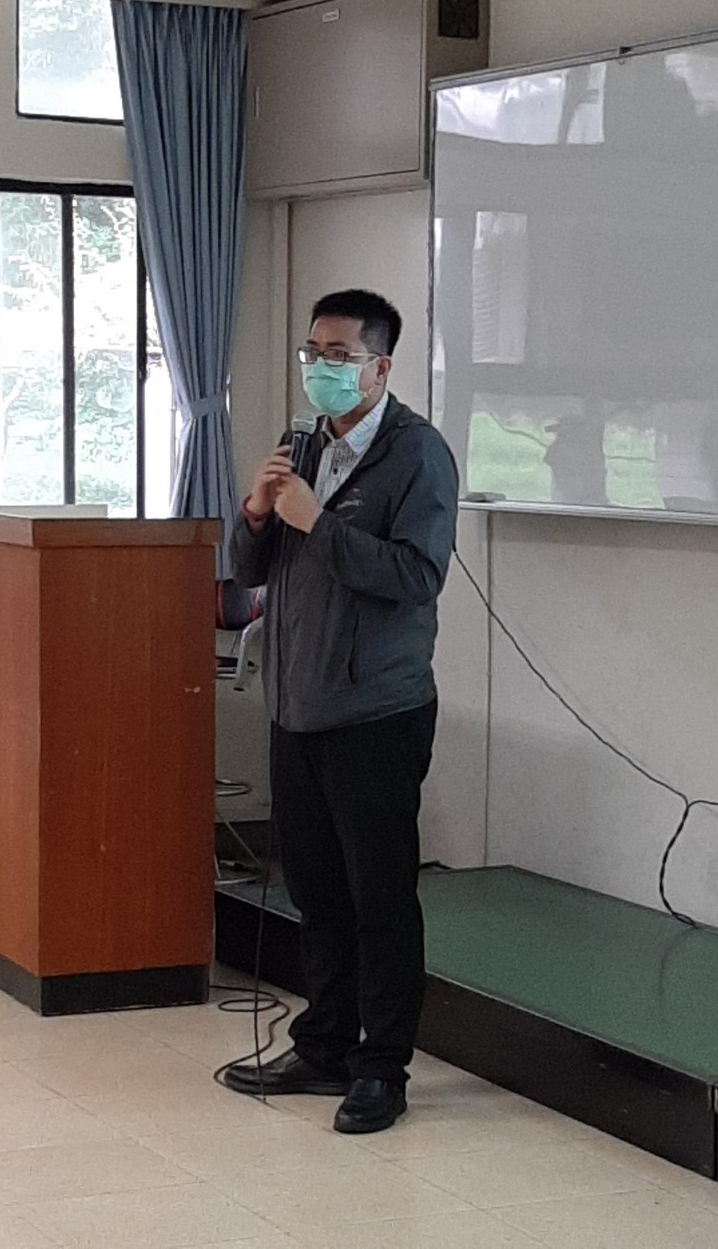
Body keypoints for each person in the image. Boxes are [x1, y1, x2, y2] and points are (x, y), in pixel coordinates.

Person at [224, 289, 459, 1135]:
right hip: (297, 705)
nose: (319, 368)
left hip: (376, 712)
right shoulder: (304, 444)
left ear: (379, 367)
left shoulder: (417, 455)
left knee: (379, 898)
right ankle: (322, 1045)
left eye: (338, 356)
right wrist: (258, 514)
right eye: (312, 352)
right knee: (316, 893)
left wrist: (317, 523)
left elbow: (415, 578)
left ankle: (381, 1069)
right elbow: (251, 569)